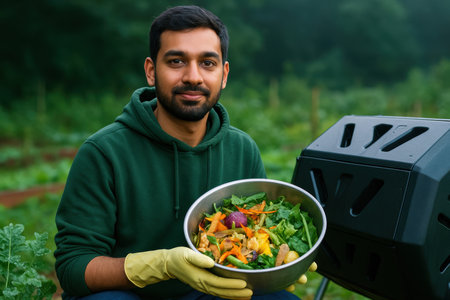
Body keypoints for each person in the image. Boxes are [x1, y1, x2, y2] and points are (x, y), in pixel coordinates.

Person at [54, 5, 314, 300]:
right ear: (151, 71)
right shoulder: (104, 152)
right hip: (127, 293)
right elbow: (73, 267)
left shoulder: (242, 149)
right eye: (176, 61)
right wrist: (160, 265)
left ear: (224, 74)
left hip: (210, 292)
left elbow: (256, 236)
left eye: (207, 63)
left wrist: (276, 269)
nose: (193, 76)